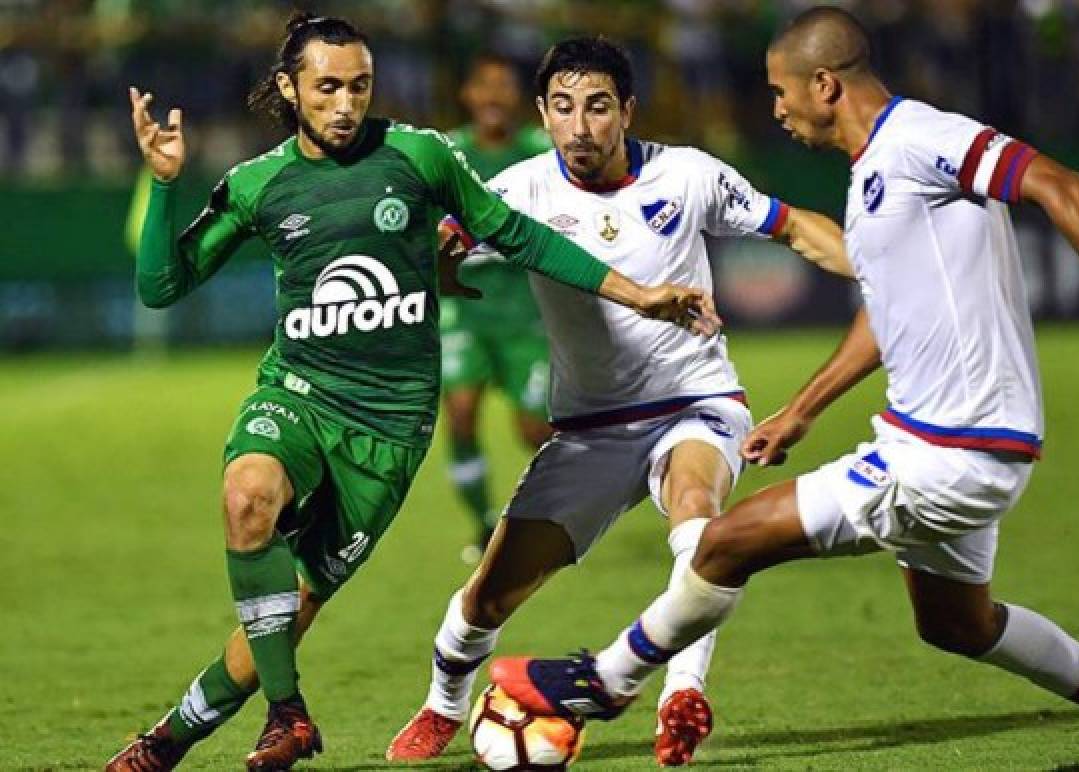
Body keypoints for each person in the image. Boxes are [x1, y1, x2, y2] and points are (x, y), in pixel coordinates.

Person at [491, 8, 1079, 771]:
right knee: (958, 623)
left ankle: (602, 682)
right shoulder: (868, 184)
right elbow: (883, 319)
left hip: (951, 451)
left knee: (727, 541)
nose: (775, 109)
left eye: (780, 91)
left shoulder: (923, 138)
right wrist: (801, 410)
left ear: (824, 84)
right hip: (933, 437)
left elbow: (1060, 182)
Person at [105, 13, 718, 772]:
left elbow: (519, 233)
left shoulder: (419, 156)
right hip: (300, 391)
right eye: (326, 87)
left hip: (390, 429)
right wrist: (165, 184)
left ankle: (170, 738)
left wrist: (636, 292)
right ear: (290, 90)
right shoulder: (261, 184)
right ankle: (288, 713)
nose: (344, 104)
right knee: (247, 496)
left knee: (287, 613)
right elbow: (162, 285)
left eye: (358, 86)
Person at [385, 36, 853, 767]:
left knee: (699, 513)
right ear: (543, 111)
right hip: (590, 429)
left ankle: (681, 695)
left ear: (627, 111)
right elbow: (441, 242)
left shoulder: (688, 175)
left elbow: (791, 225)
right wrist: (441, 262)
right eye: (564, 108)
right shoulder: (520, 191)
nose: (581, 126)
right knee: (488, 597)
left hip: (695, 401)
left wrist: (872, 268)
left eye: (598, 107)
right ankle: (443, 705)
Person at [440, 53, 555, 565]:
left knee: (534, 429)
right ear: (468, 95)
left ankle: (560, 514)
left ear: (519, 99)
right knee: (461, 412)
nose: (492, 97)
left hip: (525, 311)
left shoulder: (540, 153)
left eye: (503, 87)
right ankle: (484, 525)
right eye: (483, 86)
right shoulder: (447, 154)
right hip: (462, 311)